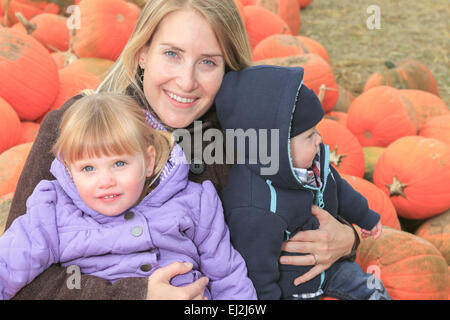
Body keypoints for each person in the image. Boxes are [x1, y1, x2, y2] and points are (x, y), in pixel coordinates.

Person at [6, 0, 359, 299]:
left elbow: (321, 193)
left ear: (228, 69)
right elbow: (21, 278)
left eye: (208, 62)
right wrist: (135, 293)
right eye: (172, 54)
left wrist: (350, 237)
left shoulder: (246, 136)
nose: (186, 81)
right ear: (143, 54)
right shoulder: (74, 128)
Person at [0, 92, 256, 300]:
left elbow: (227, 276)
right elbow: (9, 264)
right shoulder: (53, 209)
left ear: (148, 160)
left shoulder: (194, 201)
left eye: (119, 163)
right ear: (69, 169)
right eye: (88, 168)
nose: (105, 181)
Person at [215, 65, 390, 300]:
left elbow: (339, 188)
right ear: (274, 147)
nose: (319, 139)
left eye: (316, 130)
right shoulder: (255, 207)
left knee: (372, 288)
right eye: (309, 135)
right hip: (294, 285)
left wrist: (365, 216)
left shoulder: (312, 164)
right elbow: (257, 273)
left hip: (332, 266)